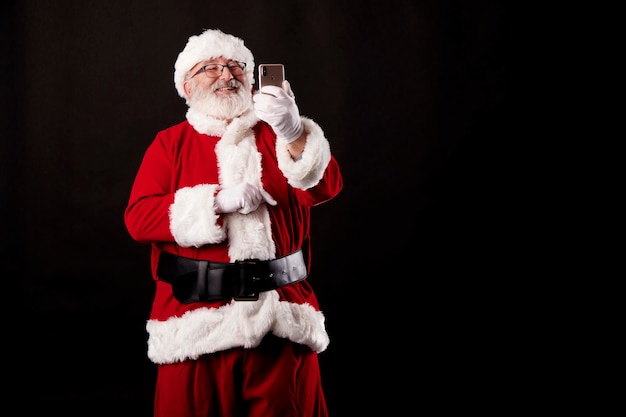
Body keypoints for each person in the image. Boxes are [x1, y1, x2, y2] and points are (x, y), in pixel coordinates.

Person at [124, 28, 343, 417]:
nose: (226, 74)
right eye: (210, 67)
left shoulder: (280, 135)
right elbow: (139, 219)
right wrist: (215, 202)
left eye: (236, 66)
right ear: (187, 87)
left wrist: (294, 132)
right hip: (194, 324)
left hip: (281, 319)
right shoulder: (168, 144)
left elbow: (325, 186)